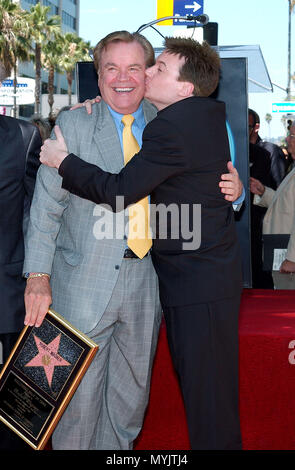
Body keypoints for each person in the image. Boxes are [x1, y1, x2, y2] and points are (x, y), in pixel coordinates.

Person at [38, 36, 243, 450]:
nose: (134, 77)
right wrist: (37, 276)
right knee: (77, 412)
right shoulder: (79, 122)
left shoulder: (168, 121)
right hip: (89, 287)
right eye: (112, 69)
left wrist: (236, 192)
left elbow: (126, 189)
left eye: (147, 68)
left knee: (142, 408)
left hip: (164, 285)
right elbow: (45, 212)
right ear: (97, 76)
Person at [0, 62, 41, 449]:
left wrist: (37, 276)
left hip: (6, 302)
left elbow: (37, 213)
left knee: (12, 422)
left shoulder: (24, 136)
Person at [250, 120, 295, 290]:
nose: (287, 139)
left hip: (289, 260)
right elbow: (287, 203)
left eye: (291, 135)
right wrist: (263, 192)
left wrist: (292, 258)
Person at [248, 108, 287, 188]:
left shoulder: (271, 151)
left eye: (247, 127)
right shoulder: (237, 151)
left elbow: (278, 186)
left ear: (256, 127)